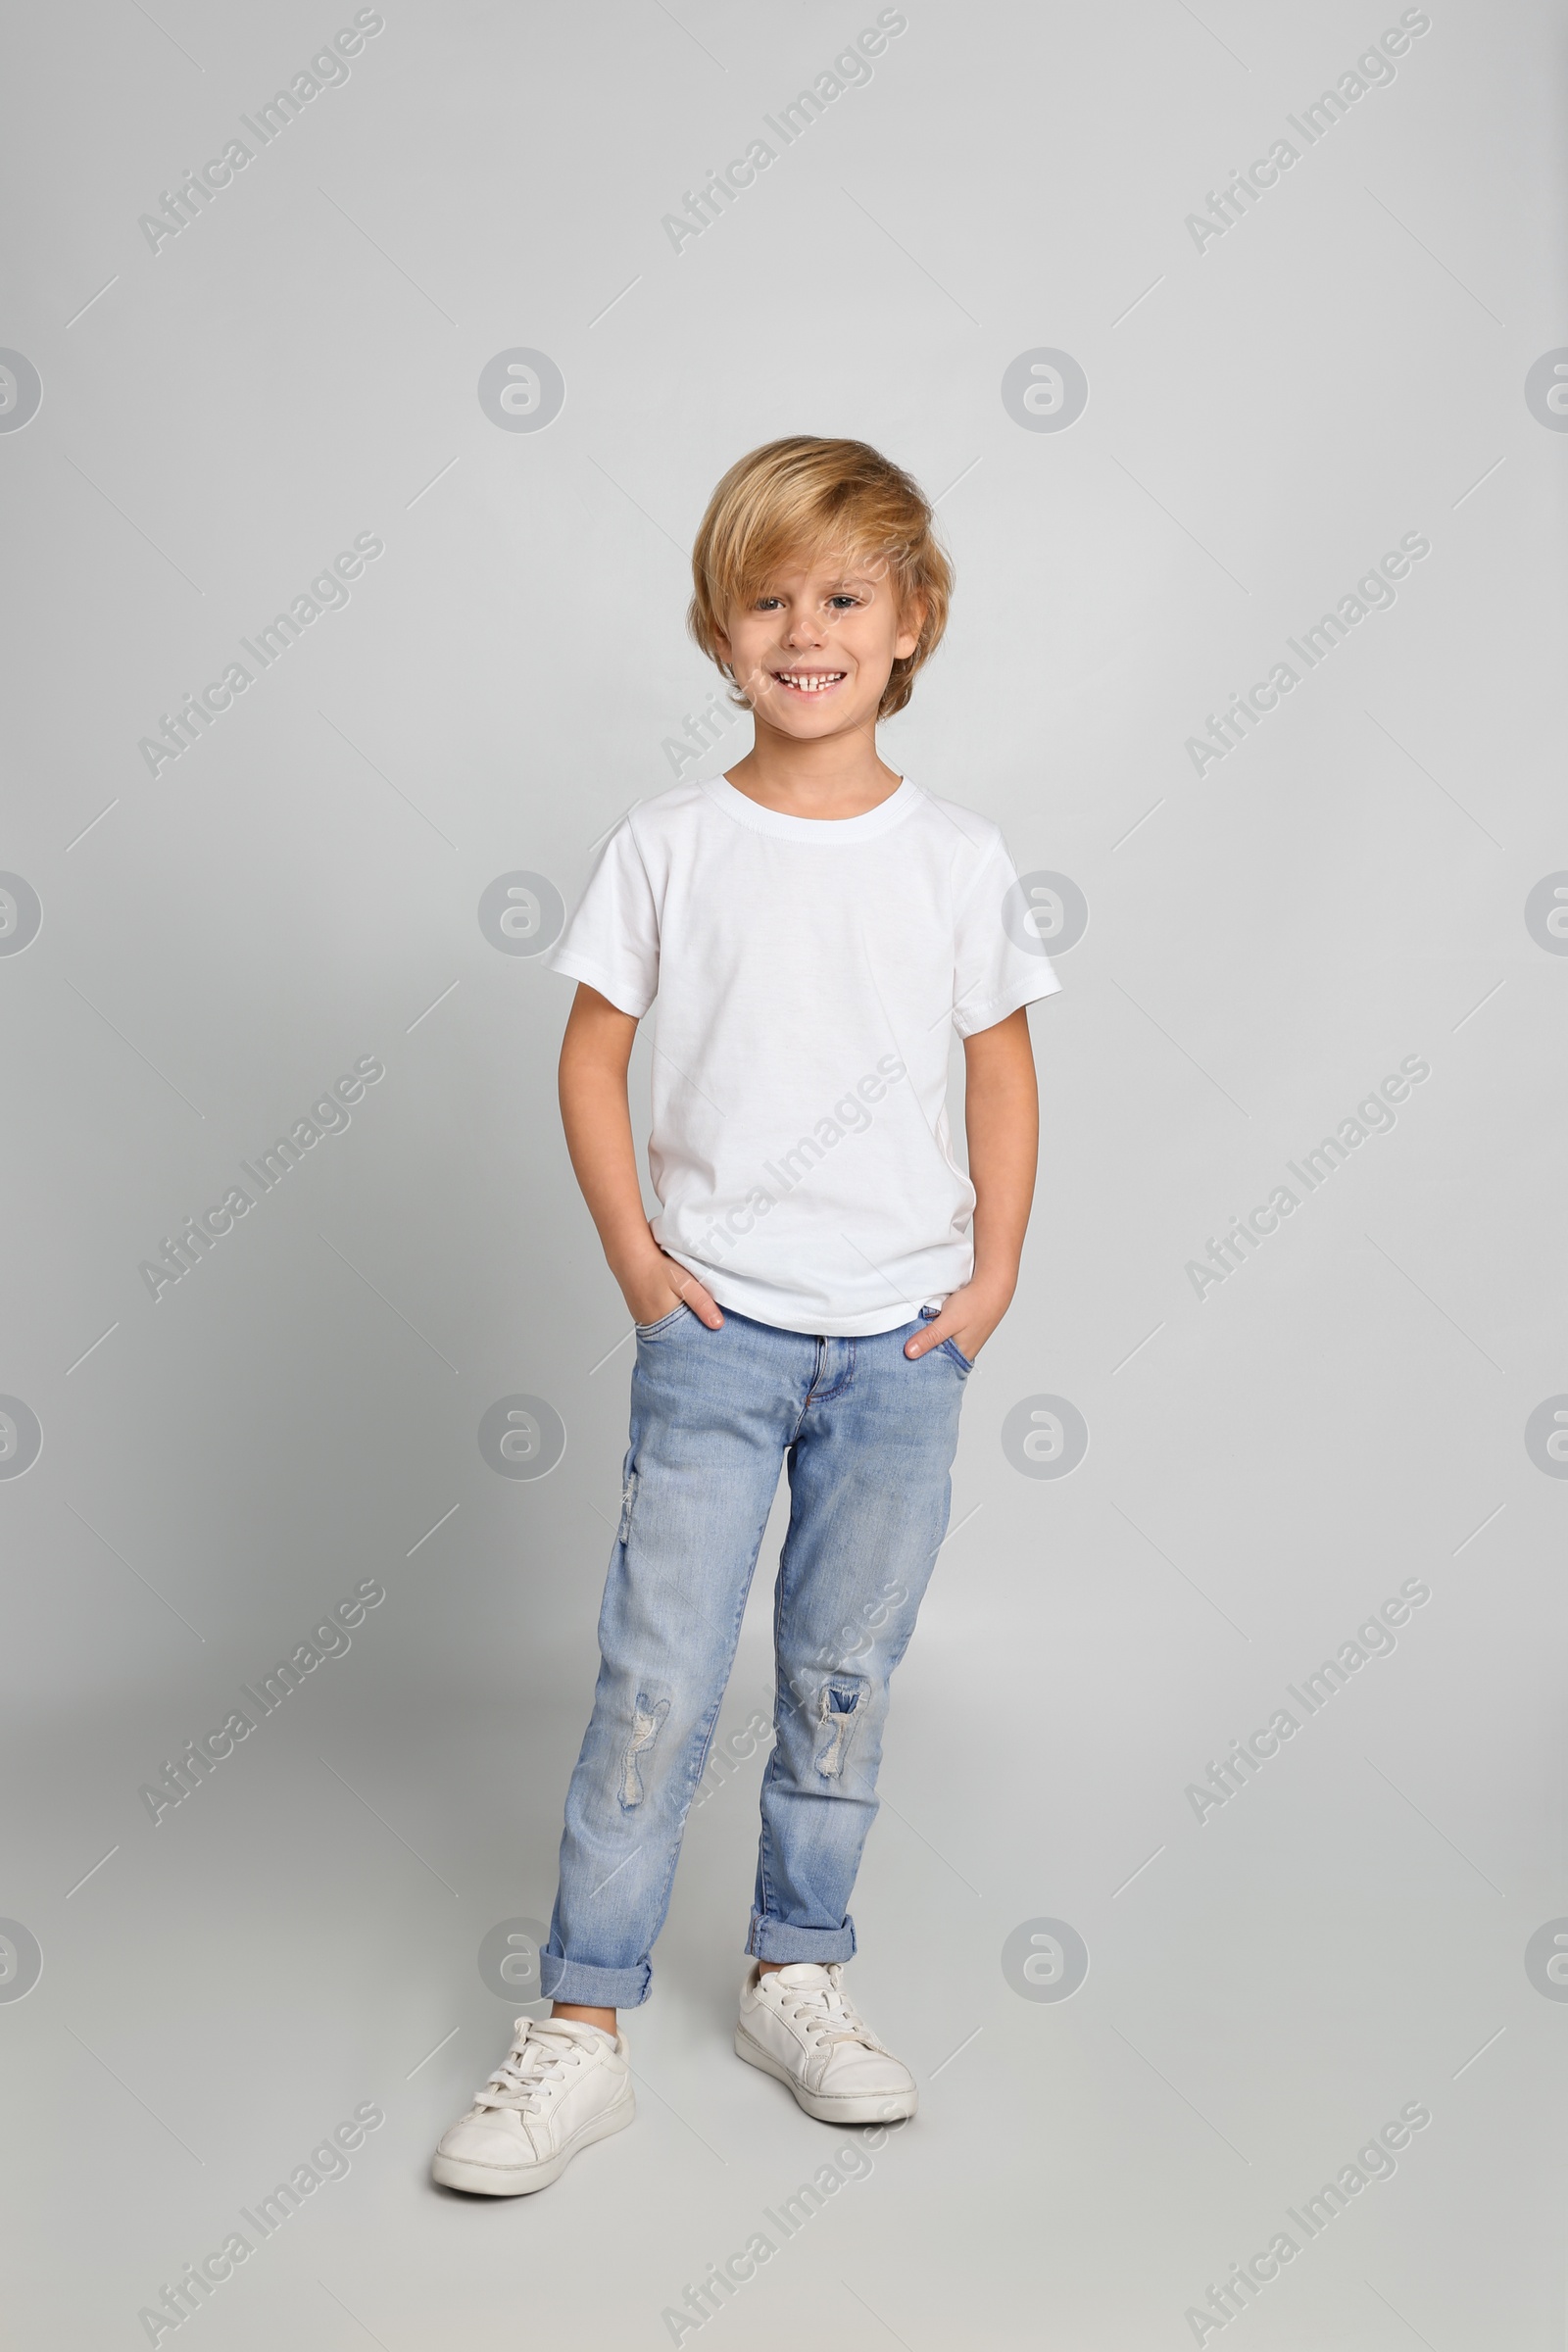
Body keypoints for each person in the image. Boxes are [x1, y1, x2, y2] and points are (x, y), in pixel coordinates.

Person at [432, 435, 1059, 2196]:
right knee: (655, 1677)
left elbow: (1000, 1072)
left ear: (911, 621)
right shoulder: (669, 845)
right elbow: (591, 1057)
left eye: (844, 596)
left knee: (841, 1677)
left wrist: (992, 1276)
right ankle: (582, 2026)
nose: (807, 630)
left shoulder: (954, 857)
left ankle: (802, 1969)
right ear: (720, 634)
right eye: (767, 598)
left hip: (900, 1347)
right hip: (717, 1336)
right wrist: (640, 1259)